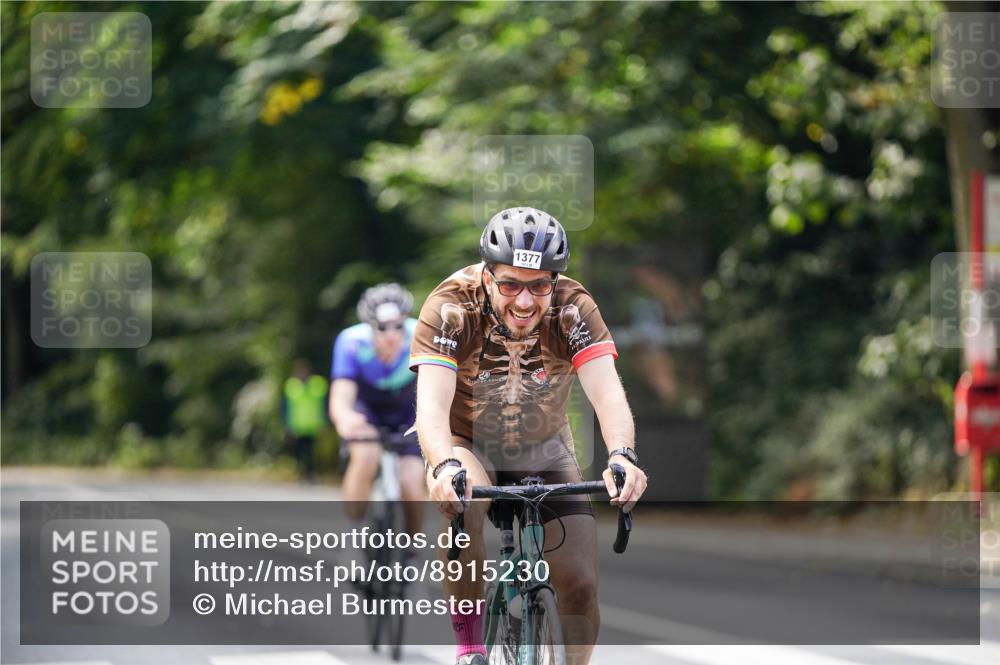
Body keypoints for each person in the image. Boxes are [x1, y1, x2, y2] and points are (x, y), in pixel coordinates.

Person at [409, 207, 649, 665]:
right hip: (467, 440)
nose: (525, 301)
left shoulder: (573, 307)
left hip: (543, 445)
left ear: (555, 281)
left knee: (578, 583)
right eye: (510, 284)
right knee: (467, 502)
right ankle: (470, 648)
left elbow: (608, 393)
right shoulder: (451, 306)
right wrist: (442, 465)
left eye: (539, 284)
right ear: (487, 275)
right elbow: (432, 407)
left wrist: (622, 456)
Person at [329, 283, 425, 545]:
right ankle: (353, 535)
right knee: (365, 455)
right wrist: (344, 418)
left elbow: (436, 387)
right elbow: (341, 394)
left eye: (398, 326)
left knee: (411, 482)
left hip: (409, 410)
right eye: (383, 328)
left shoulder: (421, 334)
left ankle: (411, 558)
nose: (392, 335)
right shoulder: (351, 342)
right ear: (370, 326)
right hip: (368, 410)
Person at [282, 358, 328, 482]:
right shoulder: (291, 385)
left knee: (310, 453)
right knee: (298, 452)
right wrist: (286, 424)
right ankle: (301, 473)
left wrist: (325, 422)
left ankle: (310, 474)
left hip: (312, 426)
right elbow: (285, 407)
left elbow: (324, 404)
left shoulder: (317, 384)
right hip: (297, 426)